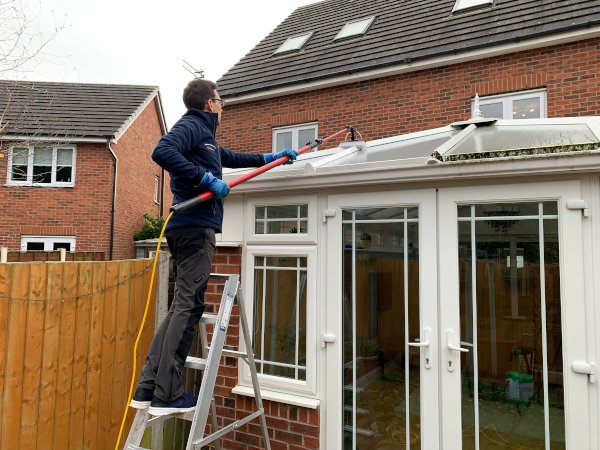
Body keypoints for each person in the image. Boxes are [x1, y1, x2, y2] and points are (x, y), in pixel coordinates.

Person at [130, 79, 298, 415]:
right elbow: (162, 151)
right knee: (190, 305)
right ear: (209, 103)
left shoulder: (205, 139)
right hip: (194, 227)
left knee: (182, 305)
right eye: (220, 100)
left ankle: (149, 384)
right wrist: (205, 180)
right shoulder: (191, 125)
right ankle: (167, 392)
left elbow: (231, 157)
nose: (223, 106)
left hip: (189, 228)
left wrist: (274, 157)